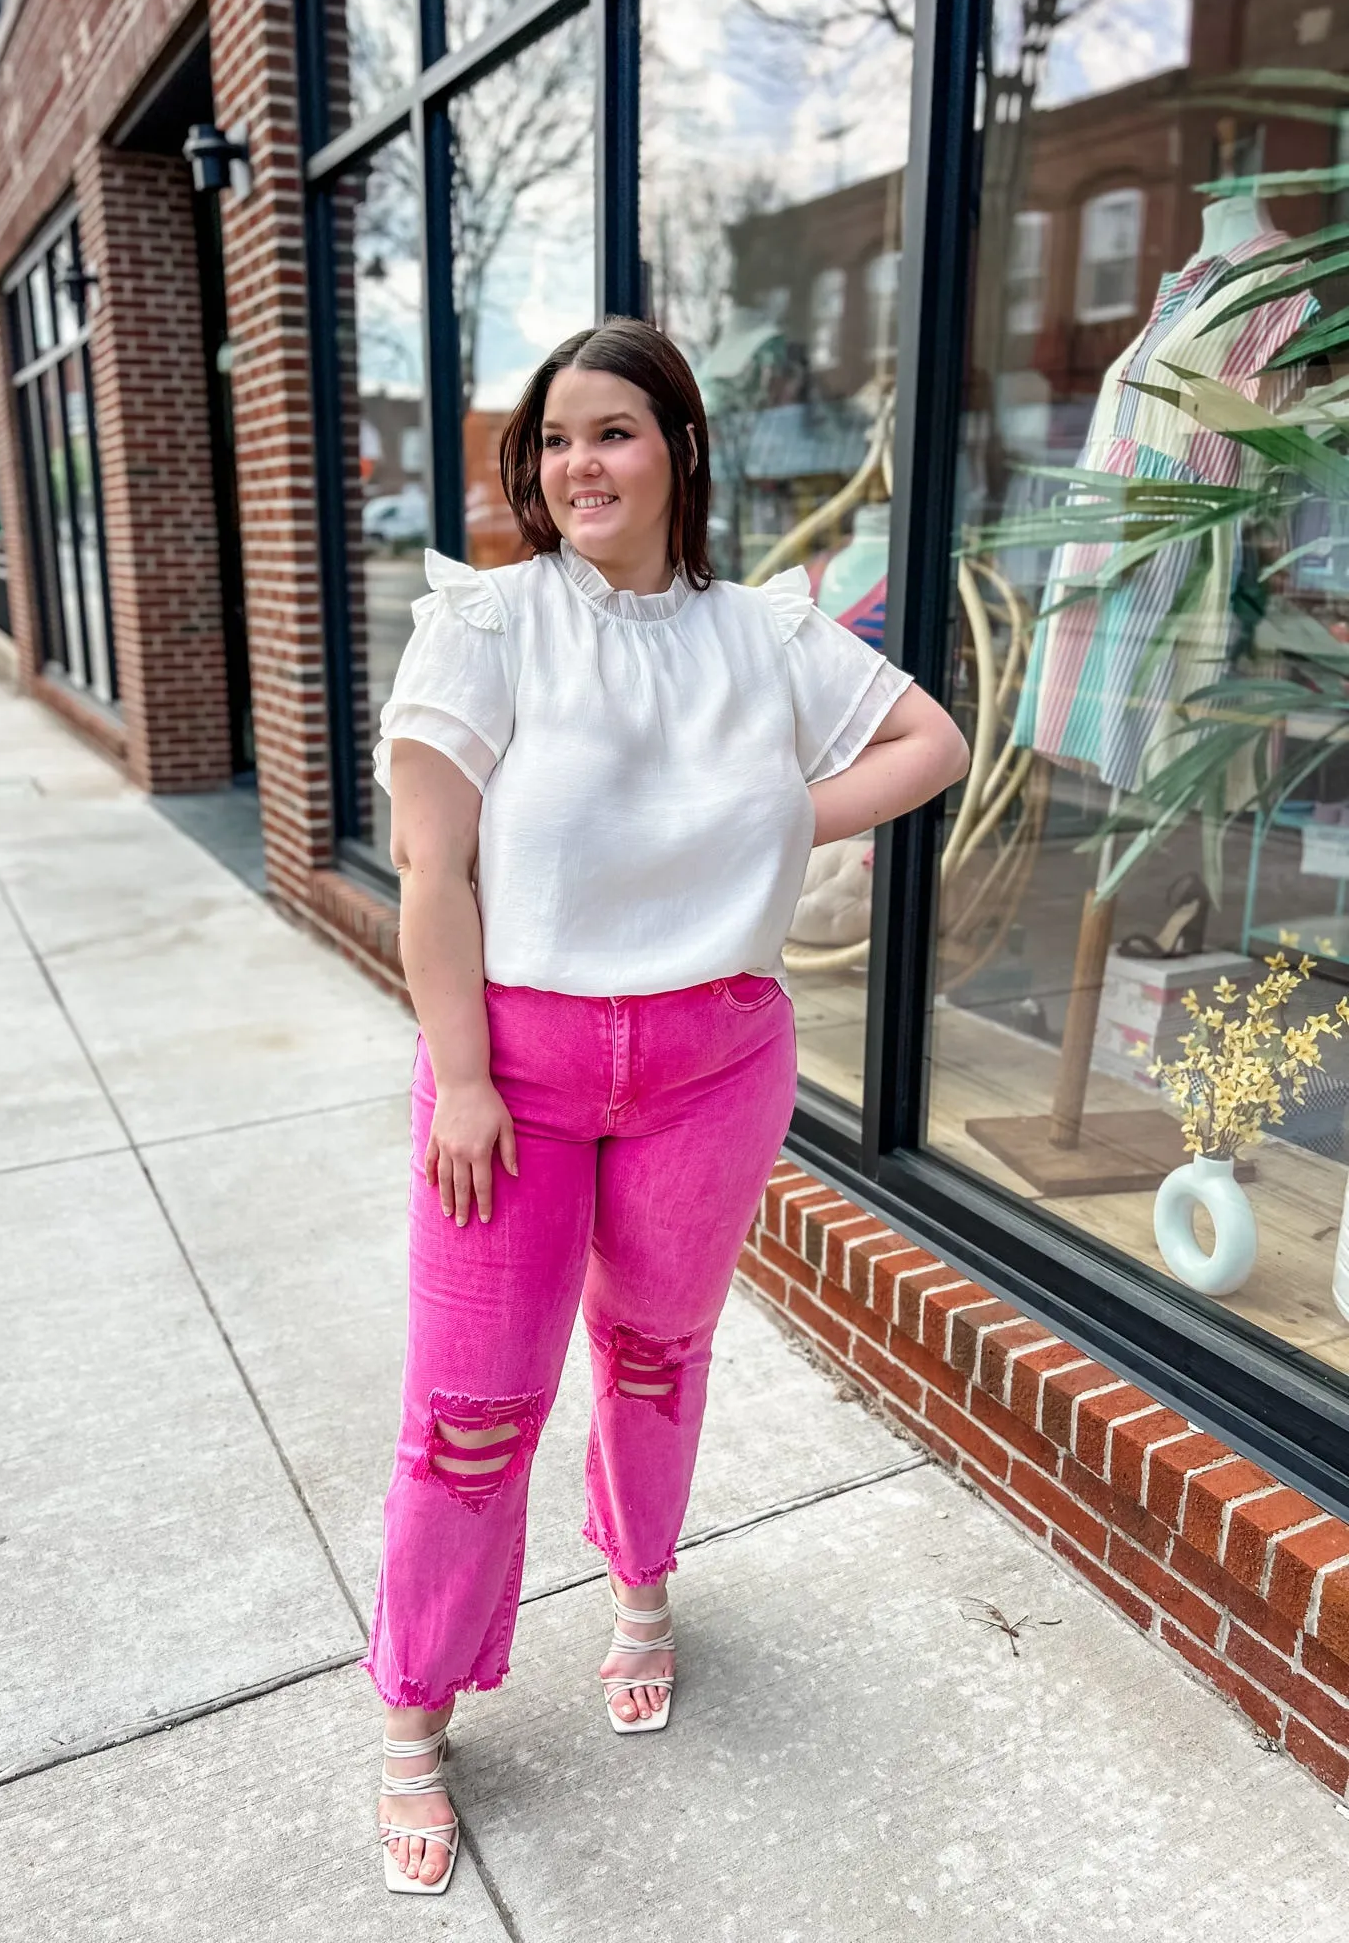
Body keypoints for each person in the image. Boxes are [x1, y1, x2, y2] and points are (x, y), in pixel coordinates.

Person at [367, 317, 969, 1894]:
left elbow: (932, 742)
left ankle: (641, 1588)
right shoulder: (490, 623)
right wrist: (469, 1080)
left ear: (680, 450)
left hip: (714, 1058)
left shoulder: (761, 635)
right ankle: (415, 1718)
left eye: (615, 432)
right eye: (557, 440)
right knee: (473, 1410)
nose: (580, 465)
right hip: (516, 1070)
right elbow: (433, 872)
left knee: (654, 1355)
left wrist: (768, 828)